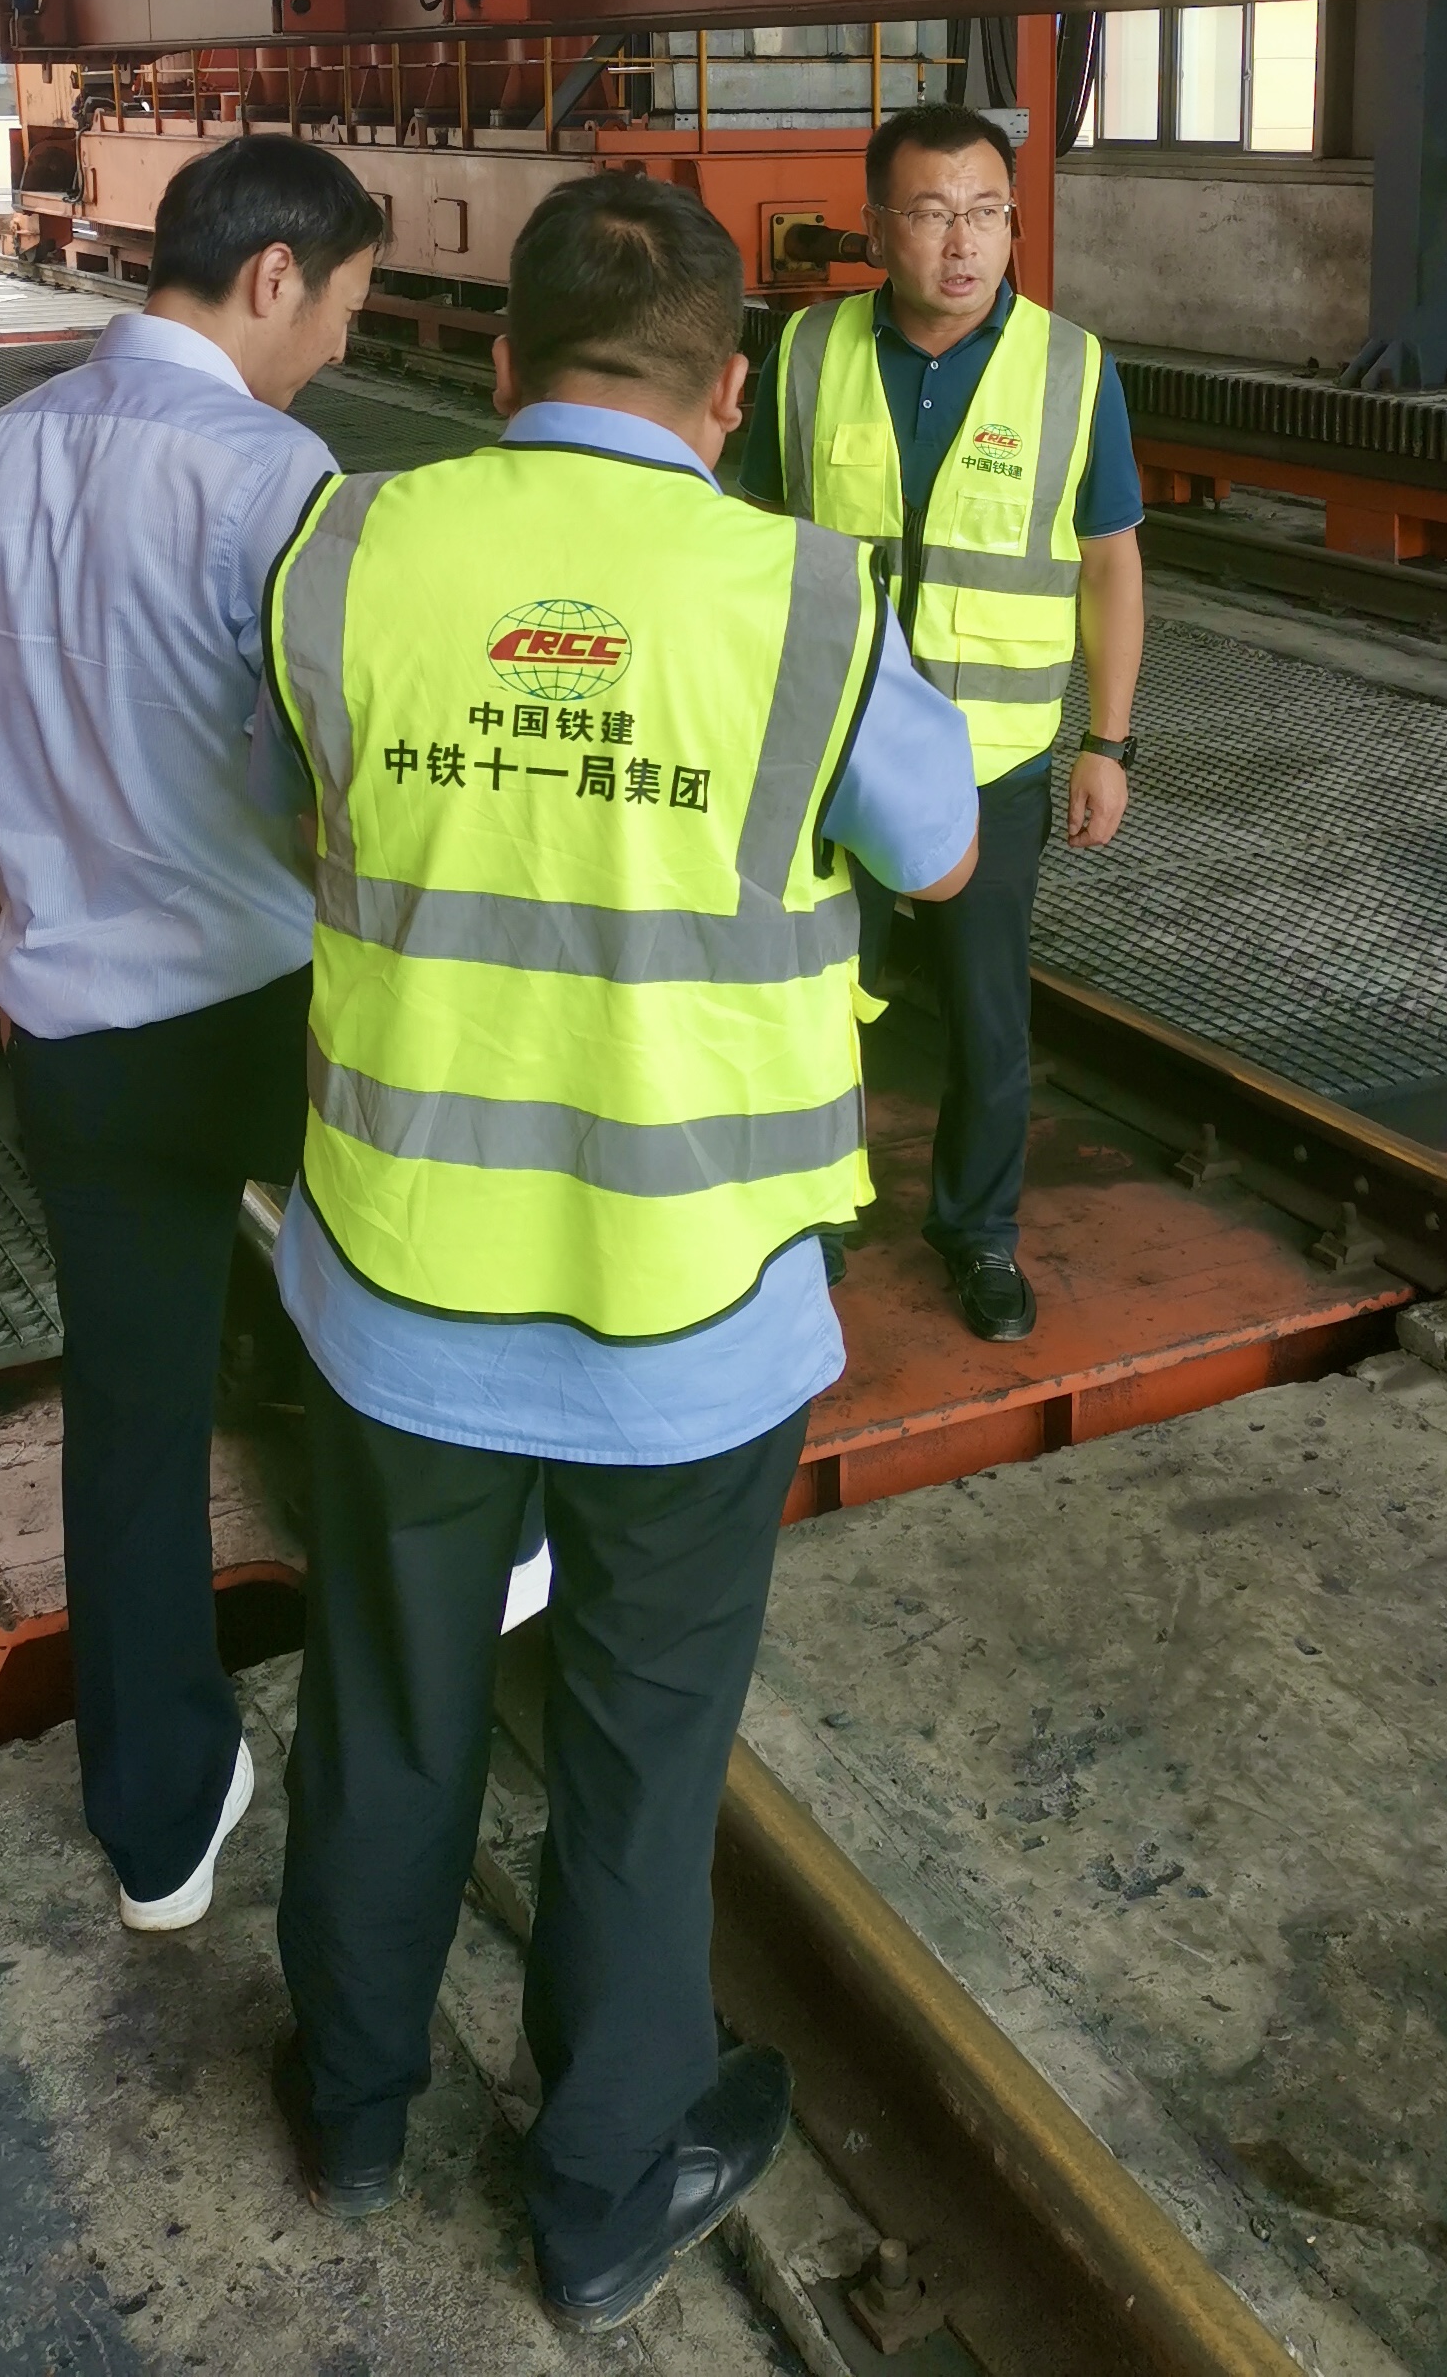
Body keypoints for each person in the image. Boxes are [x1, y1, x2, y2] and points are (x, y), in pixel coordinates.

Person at [258, 173, 978, 2332]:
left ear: (498, 363)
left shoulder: (348, 545)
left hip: (400, 1292)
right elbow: (941, 846)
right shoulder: (805, 595)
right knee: (640, 1768)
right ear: (729, 390)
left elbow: (295, 805)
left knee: (387, 1717)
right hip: (691, 1322)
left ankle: (353, 2107)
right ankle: (597, 2192)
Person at [0, 131, 382, 1931]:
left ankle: (158, 1825)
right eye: (343, 305)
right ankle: (472, 1599)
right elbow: (334, 768)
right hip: (262, 1005)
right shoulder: (273, 469)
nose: (340, 343)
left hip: (71, 1025)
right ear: (272, 276)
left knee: (128, 1412)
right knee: (393, 1310)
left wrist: (10, 958)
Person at [743, 100, 1144, 1345]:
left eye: (984, 212)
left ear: (1013, 223)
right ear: (876, 228)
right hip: (830, 754)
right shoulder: (804, 352)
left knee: (985, 1016)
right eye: (928, 213)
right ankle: (811, 1219)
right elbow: (749, 544)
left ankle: (977, 1233)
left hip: (993, 761)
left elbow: (1109, 562)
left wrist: (1107, 741)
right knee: (810, 996)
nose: (960, 241)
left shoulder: (1070, 368)